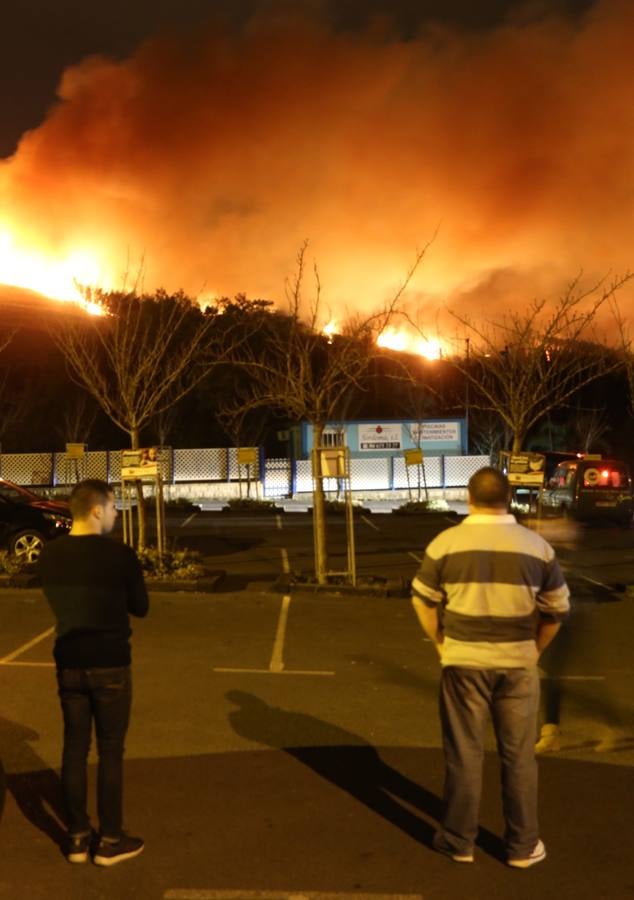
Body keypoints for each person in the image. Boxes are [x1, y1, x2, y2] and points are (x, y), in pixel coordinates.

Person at [411, 466, 570, 868]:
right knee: (518, 758)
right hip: (517, 663)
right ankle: (522, 847)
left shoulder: (445, 543)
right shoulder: (537, 548)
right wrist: (534, 650)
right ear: (508, 497)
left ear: (470, 498)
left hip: (463, 663)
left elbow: (423, 600)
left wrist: (442, 644)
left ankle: (458, 841)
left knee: (464, 754)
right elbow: (557, 610)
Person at [38, 479, 149, 866]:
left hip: (68, 661)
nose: (116, 514)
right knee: (111, 751)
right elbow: (141, 607)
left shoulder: (50, 556)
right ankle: (110, 840)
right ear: (97, 510)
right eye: (114, 507)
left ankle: (77, 836)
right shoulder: (119, 555)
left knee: (73, 747)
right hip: (110, 663)